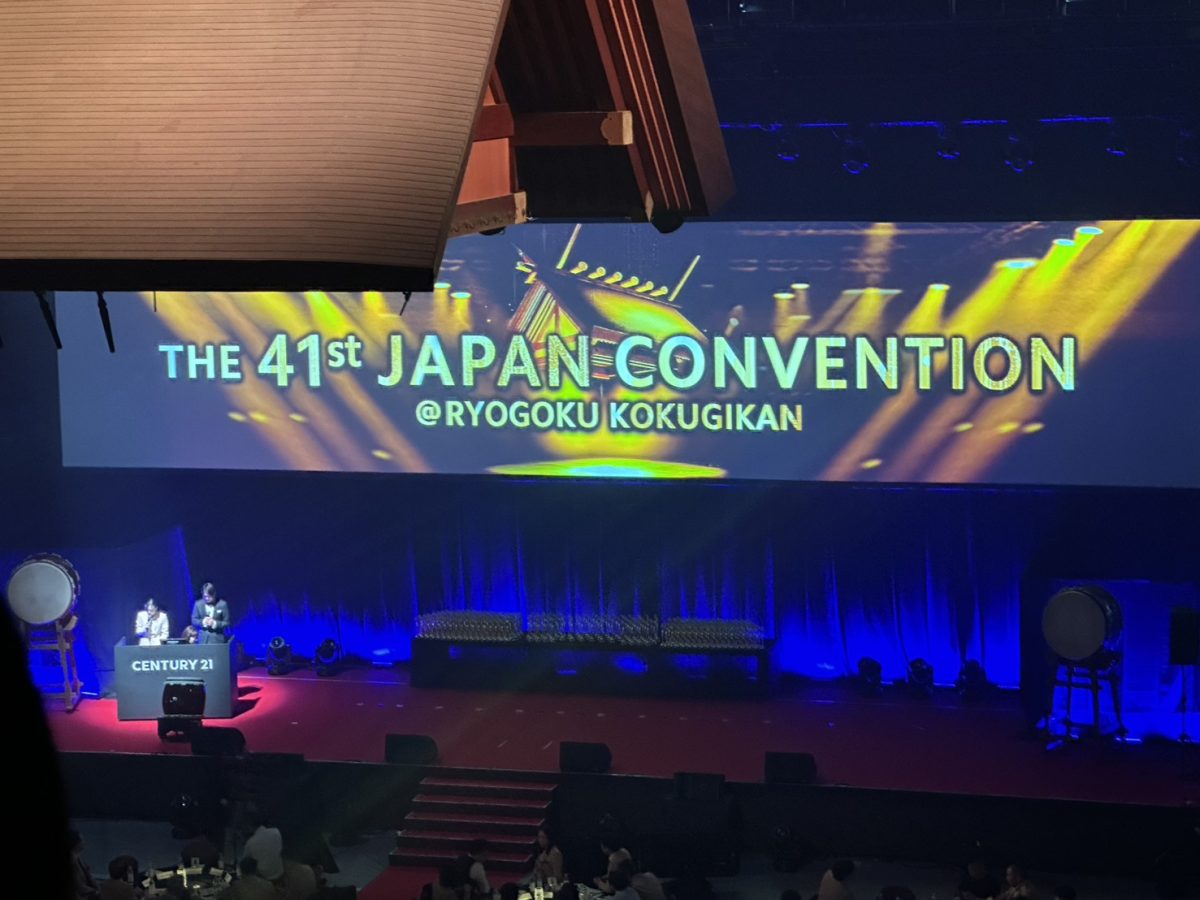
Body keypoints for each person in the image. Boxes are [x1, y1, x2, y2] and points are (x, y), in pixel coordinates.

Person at [242, 816, 284, 882]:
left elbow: (245, 858)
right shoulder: (276, 831)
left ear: (251, 827)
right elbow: (280, 849)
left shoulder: (250, 842)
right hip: (279, 871)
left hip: (265, 876)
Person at [71, 830, 101, 900]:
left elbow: (89, 877)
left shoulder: (79, 858)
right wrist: (95, 891)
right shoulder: (72, 861)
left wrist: (98, 888)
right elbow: (78, 885)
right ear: (75, 843)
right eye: (81, 840)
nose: (84, 842)